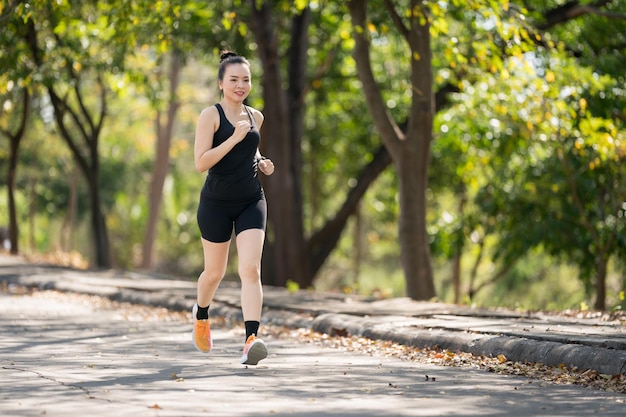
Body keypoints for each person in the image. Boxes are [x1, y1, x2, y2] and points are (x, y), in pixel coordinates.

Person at [192, 50, 274, 365]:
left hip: (251, 199)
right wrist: (233, 139)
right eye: (234, 80)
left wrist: (261, 162)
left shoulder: (256, 116)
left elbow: (251, 151)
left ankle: (251, 339)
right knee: (214, 273)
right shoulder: (210, 115)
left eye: (246, 80)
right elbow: (201, 162)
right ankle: (201, 314)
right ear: (221, 83)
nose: (241, 85)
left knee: (250, 269)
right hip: (215, 204)